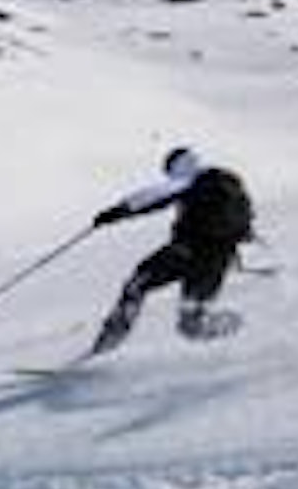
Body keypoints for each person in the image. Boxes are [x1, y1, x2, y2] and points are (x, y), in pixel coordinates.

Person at [90, 146, 254, 354]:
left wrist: (116, 212)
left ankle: (108, 343)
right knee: (191, 324)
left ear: (177, 166)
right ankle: (239, 326)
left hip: (185, 253)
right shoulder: (228, 184)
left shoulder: (192, 181)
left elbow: (152, 197)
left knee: (137, 284)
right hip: (216, 262)